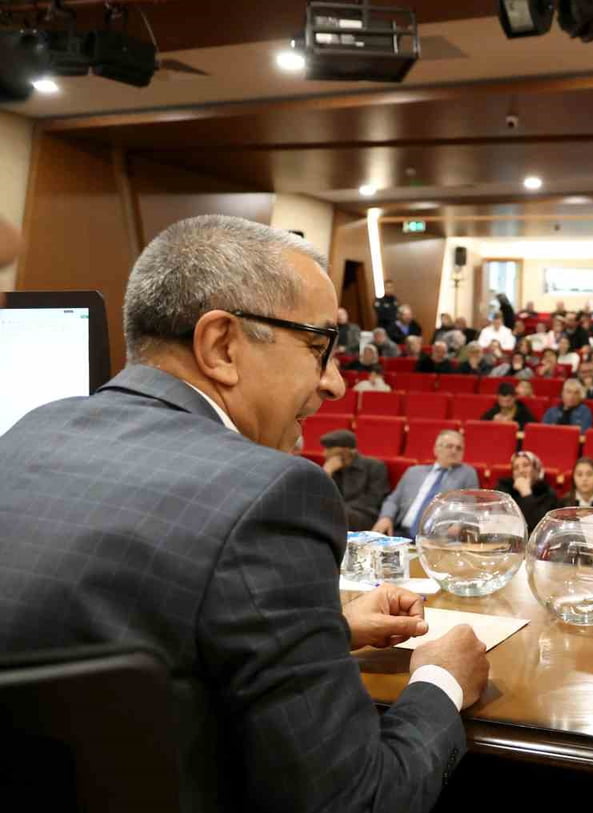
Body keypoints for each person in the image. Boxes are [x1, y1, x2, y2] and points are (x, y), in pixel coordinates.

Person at [0, 215, 487, 810]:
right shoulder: (271, 494)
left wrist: (327, 630)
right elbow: (358, 802)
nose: (334, 382)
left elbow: (122, 652)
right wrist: (441, 681)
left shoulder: (27, 432)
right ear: (221, 345)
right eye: (318, 346)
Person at [374, 429, 479, 538]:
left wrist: (460, 524)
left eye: (459, 448)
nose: (454, 451)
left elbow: (471, 507)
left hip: (438, 537)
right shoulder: (414, 472)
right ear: (436, 449)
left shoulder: (467, 473)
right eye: (449, 446)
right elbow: (393, 500)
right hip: (400, 532)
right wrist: (386, 517)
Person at [320, 429, 389, 532]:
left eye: (328, 449)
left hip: (365, 515)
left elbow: (373, 499)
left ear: (344, 451)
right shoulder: (332, 468)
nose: (324, 454)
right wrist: (327, 473)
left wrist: (339, 508)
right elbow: (319, 496)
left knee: (328, 514)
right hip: (338, 512)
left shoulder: (374, 466)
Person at [496, 451, 559, 530]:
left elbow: (540, 527)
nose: (521, 471)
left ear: (536, 470)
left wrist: (526, 493)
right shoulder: (504, 489)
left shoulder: (548, 493)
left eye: (525, 465)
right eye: (516, 468)